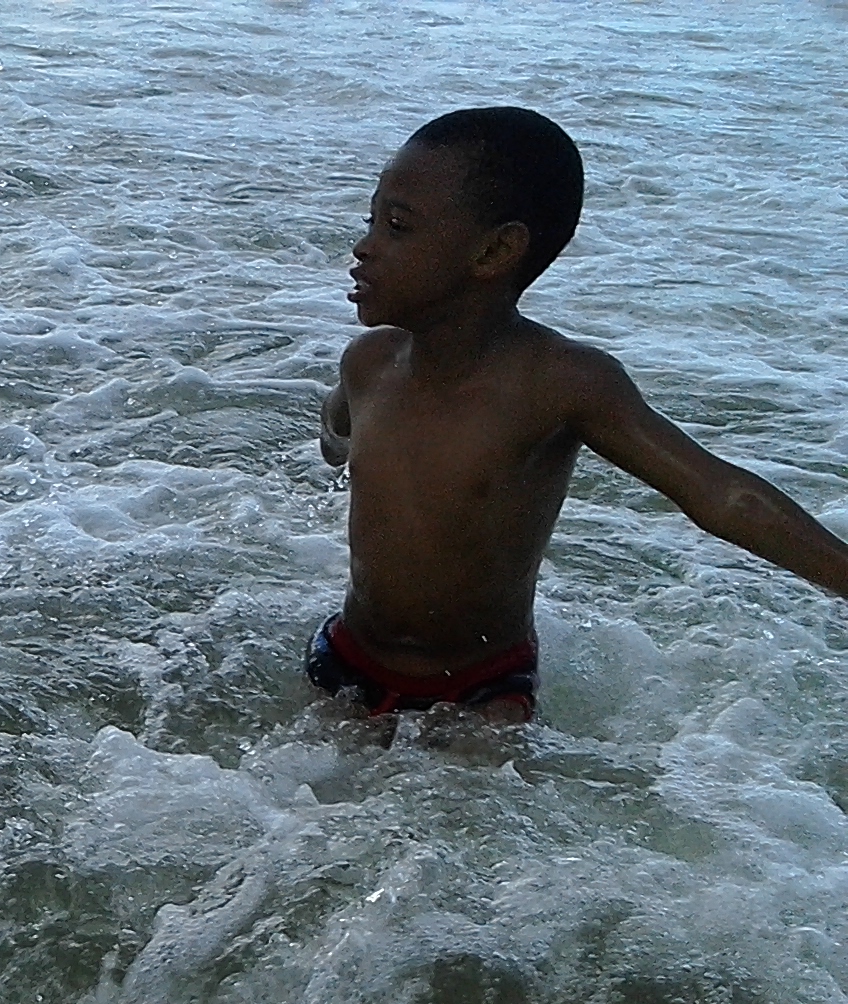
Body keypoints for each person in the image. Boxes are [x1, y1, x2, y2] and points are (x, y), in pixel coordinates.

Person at [312, 106, 848, 722]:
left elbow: (721, 496)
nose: (364, 246)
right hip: (348, 657)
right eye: (371, 221)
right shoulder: (370, 362)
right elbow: (338, 434)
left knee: (471, 784)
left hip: (482, 686)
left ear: (494, 250)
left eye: (397, 226)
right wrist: (344, 438)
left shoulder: (559, 382)